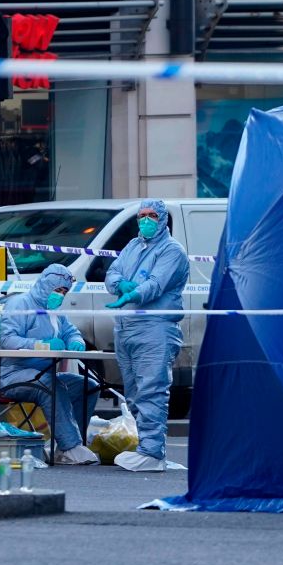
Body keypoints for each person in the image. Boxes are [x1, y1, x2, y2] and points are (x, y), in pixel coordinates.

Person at [105, 199, 190, 472]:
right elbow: (112, 273)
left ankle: (152, 452)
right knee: (133, 392)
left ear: (163, 219)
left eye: (152, 215)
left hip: (155, 328)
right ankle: (149, 447)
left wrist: (131, 294)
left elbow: (155, 285)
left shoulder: (172, 251)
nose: (145, 220)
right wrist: (120, 284)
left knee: (151, 390)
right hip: (126, 328)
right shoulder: (133, 245)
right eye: (141, 215)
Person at [0, 263, 99, 465]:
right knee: (50, 386)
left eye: (64, 291)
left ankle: (67, 443)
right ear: (45, 285)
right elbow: (7, 339)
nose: (60, 295)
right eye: (58, 290)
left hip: (43, 374)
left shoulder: (55, 312)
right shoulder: (19, 304)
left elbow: (71, 331)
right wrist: (41, 345)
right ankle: (70, 446)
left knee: (88, 386)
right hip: (12, 375)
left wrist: (76, 342)